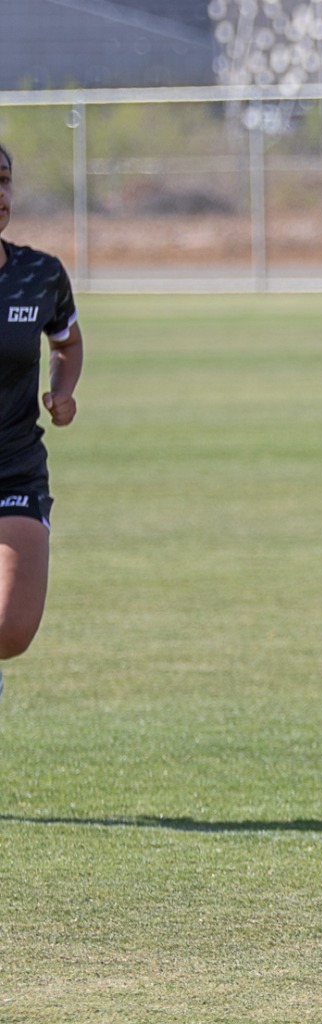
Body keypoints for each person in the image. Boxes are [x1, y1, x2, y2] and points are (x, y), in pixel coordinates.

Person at [0, 144, 83, 697]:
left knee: (11, 629)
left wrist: (63, 389)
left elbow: (67, 340)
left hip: (15, 473)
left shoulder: (39, 274)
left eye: (3, 180)